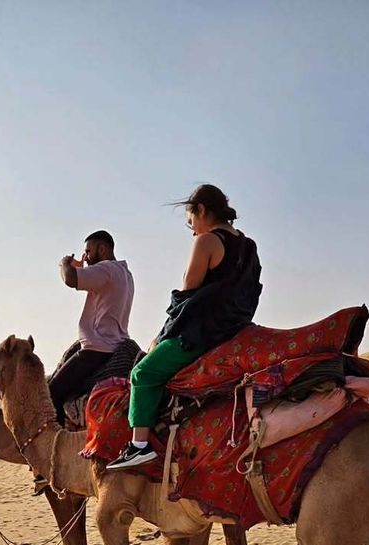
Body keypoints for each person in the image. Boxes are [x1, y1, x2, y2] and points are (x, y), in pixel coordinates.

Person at [106, 185, 262, 469]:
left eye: (191, 222)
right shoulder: (250, 247)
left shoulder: (206, 242)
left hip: (204, 335)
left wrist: (161, 336)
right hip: (238, 329)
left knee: (142, 372)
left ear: (201, 210)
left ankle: (139, 445)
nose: (192, 231)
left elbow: (188, 295)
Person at [50, 230, 135, 426]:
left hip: (97, 350)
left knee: (53, 392)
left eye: (88, 251)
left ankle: (56, 446)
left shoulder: (106, 269)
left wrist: (65, 263)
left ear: (102, 248)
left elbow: (70, 279)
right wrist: (82, 268)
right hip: (114, 345)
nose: (85, 257)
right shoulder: (124, 273)